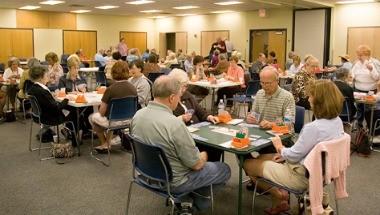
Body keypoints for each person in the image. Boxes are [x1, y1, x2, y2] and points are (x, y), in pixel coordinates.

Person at [131, 75, 231, 212]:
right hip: (175, 182)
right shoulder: (174, 124)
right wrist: (204, 155)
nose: (179, 100)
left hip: (146, 174)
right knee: (224, 169)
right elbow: (196, 165)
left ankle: (186, 200)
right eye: (178, 96)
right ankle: (197, 204)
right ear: (172, 98)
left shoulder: (137, 116)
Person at [244, 79, 344, 215]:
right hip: (325, 172)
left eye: (311, 96)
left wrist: (280, 147)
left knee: (248, 164)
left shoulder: (312, 128)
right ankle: (279, 200)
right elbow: (299, 153)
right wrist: (284, 153)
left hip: (301, 177)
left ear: (319, 101)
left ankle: (279, 196)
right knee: (263, 157)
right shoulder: (337, 121)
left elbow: (292, 156)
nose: (308, 99)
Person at [169, 69, 222, 161]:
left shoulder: (187, 94)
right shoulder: (169, 99)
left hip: (199, 130)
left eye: (185, 86)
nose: (184, 89)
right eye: (182, 86)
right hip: (185, 137)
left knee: (217, 143)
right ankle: (208, 169)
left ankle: (210, 168)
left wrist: (209, 117)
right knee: (213, 147)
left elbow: (200, 110)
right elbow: (168, 122)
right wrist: (181, 118)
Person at [89, 61, 137, 152]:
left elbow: (102, 113)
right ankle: (107, 142)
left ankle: (105, 143)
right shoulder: (133, 88)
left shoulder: (110, 89)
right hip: (130, 121)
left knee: (93, 117)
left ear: (113, 73)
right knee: (109, 118)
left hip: (113, 122)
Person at [351, 45, 380, 125]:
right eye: (358, 55)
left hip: (370, 90)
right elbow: (352, 74)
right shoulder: (357, 63)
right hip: (358, 89)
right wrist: (352, 77)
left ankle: (369, 126)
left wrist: (371, 70)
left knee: (369, 109)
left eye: (360, 55)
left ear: (367, 55)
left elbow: (377, 77)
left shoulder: (374, 62)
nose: (359, 57)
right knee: (359, 108)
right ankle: (359, 124)